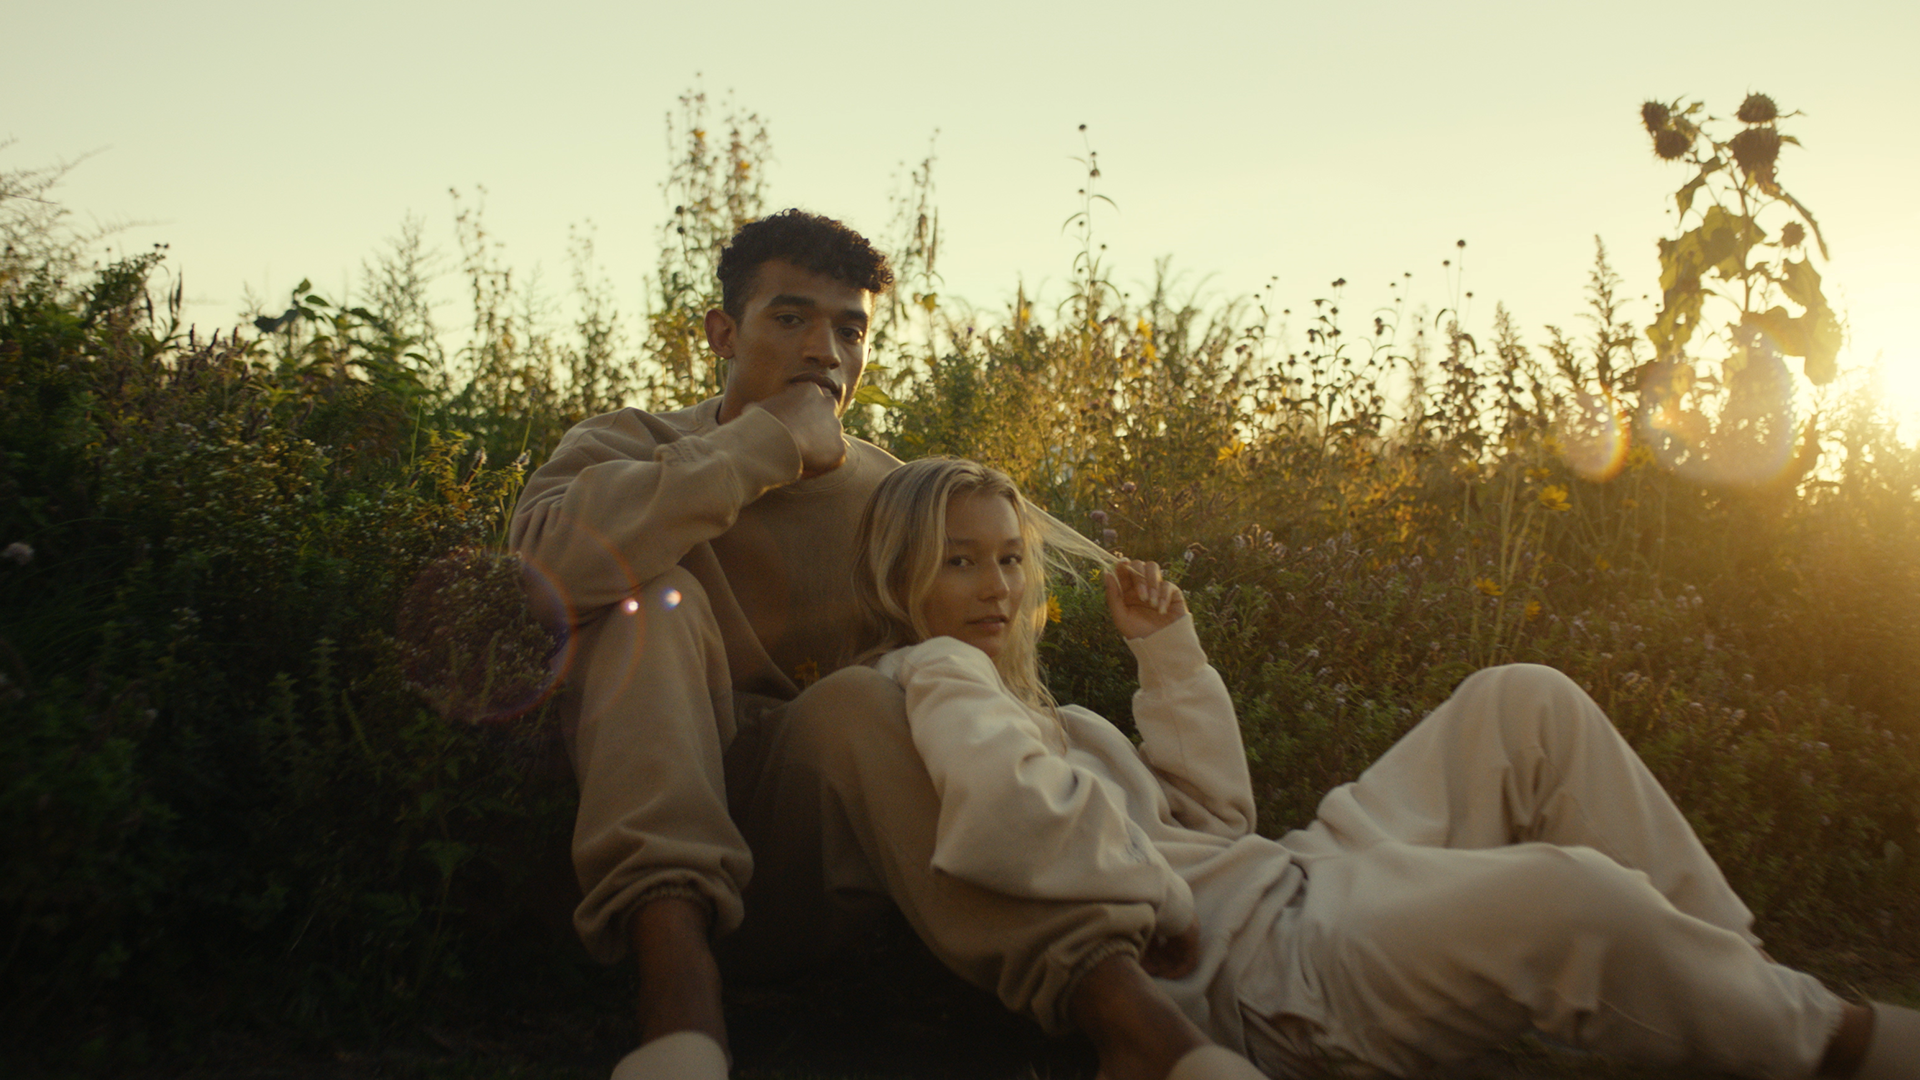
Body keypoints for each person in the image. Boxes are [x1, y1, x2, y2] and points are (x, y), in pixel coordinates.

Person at [848, 455, 1920, 1080]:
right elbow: (999, 816)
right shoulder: (938, 673)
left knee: (1523, 700)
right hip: (1270, 971)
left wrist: (1163, 652)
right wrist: (1156, 901)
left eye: (1005, 559)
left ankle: (1744, 992)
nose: (992, 587)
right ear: (903, 577)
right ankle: (1826, 1041)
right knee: (1570, 900)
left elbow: (1220, 816)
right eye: (957, 562)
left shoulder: (1055, 714)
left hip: (1297, 880)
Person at [510, 211, 1278, 1080]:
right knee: (652, 594)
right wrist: (762, 447)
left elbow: (973, 700)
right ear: (723, 332)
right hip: (647, 841)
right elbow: (545, 570)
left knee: (867, 698)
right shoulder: (631, 444)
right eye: (790, 318)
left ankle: (1121, 1016)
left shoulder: (890, 490)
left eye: (849, 329)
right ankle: (678, 1011)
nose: (823, 352)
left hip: (819, 847)